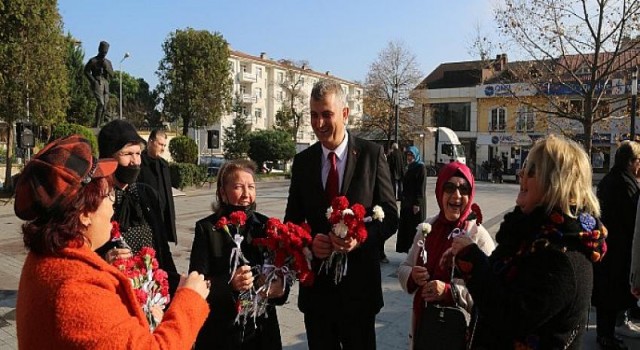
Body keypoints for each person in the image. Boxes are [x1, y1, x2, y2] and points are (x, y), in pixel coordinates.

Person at [14, 134, 210, 349]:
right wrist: (189, 300)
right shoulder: (76, 289)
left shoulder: (48, 259)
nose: (112, 207)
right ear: (85, 214)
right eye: (107, 196)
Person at [448, 135, 607, 349]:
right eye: (524, 168)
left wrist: (473, 260)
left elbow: (510, 316)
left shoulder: (562, 255)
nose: (521, 175)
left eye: (531, 171)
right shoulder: (527, 233)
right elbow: (497, 285)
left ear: (555, 183)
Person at [284, 80, 398, 349]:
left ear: (345, 114)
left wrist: (362, 238)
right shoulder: (303, 163)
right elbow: (292, 221)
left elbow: (391, 216)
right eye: (313, 115)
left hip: (359, 291)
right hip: (317, 295)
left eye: (326, 114)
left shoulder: (371, 155)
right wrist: (310, 242)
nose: (319, 123)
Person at [189, 159, 288, 349]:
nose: (246, 194)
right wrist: (229, 284)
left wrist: (280, 287)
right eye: (238, 187)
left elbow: (282, 270)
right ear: (222, 193)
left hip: (261, 331)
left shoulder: (266, 226)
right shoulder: (208, 229)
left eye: (251, 187)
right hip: (222, 330)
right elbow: (197, 283)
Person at [397, 161, 495, 349]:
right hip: (424, 330)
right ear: (440, 192)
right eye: (449, 187)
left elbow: (491, 294)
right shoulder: (428, 227)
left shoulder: (477, 236)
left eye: (464, 189)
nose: (456, 195)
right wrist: (412, 276)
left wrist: (449, 292)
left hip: (458, 335)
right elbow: (404, 267)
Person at [96, 120, 180, 296]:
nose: (135, 161)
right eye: (127, 154)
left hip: (153, 294)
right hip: (114, 294)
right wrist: (103, 261)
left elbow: (162, 248)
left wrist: (175, 283)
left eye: (138, 153)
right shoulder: (96, 200)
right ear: (109, 157)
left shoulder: (147, 195)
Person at [594, 140, 640, 348]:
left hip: (607, 247)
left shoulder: (609, 179)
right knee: (612, 296)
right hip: (618, 251)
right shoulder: (626, 184)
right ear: (632, 162)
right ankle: (607, 336)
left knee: (607, 296)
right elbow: (632, 220)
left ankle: (606, 334)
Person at [138, 129, 177, 244]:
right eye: (160, 144)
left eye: (164, 145)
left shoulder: (164, 165)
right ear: (150, 142)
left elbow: (168, 195)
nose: (163, 148)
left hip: (163, 221)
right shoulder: (139, 164)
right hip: (146, 221)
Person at [395, 146, 427, 254]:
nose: (410, 157)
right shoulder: (409, 167)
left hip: (415, 203)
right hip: (407, 203)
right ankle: (409, 251)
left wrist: (417, 203)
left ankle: (416, 252)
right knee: (407, 228)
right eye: (408, 155)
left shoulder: (420, 167)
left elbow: (421, 186)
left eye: (412, 155)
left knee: (415, 228)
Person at [84, 41, 114, 127]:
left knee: (105, 105)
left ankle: (100, 124)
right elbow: (86, 71)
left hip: (105, 83)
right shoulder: (93, 60)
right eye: (103, 51)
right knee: (101, 103)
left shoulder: (108, 62)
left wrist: (106, 67)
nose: (104, 53)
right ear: (99, 49)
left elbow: (112, 74)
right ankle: (96, 125)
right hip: (97, 82)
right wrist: (93, 81)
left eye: (106, 52)